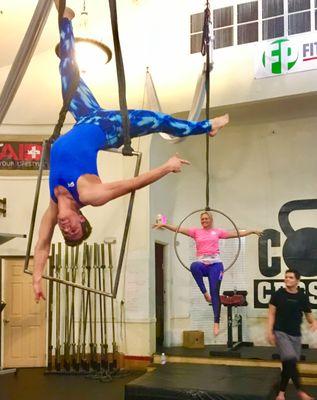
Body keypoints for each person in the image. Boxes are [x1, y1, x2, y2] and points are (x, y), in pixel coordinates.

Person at [32, 4, 229, 302]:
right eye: (74, 230)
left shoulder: (53, 203)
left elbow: (42, 245)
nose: (65, 227)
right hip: (109, 128)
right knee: (156, 120)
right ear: (83, 220)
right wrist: (166, 167)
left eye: (66, 233)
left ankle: (66, 18)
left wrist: (36, 278)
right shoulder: (90, 195)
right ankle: (206, 127)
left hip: (86, 116)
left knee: (65, 69)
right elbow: (130, 185)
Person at [153, 211, 261, 335]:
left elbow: (236, 234)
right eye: (202, 219)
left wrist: (251, 231)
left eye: (206, 219)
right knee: (194, 266)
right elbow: (178, 229)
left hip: (216, 265)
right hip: (202, 265)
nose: (204, 221)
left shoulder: (218, 232)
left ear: (211, 220)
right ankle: (205, 293)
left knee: (215, 292)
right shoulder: (195, 232)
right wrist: (164, 225)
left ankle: (216, 322)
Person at [267, 269, 317, 400]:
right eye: (286, 277)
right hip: (280, 332)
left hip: (296, 335)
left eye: (290, 277)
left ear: (297, 280)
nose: (287, 279)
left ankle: (281, 393)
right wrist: (269, 331)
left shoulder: (302, 296)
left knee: (289, 364)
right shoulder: (278, 295)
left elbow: (308, 314)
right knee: (290, 359)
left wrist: (313, 322)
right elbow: (271, 314)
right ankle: (300, 392)